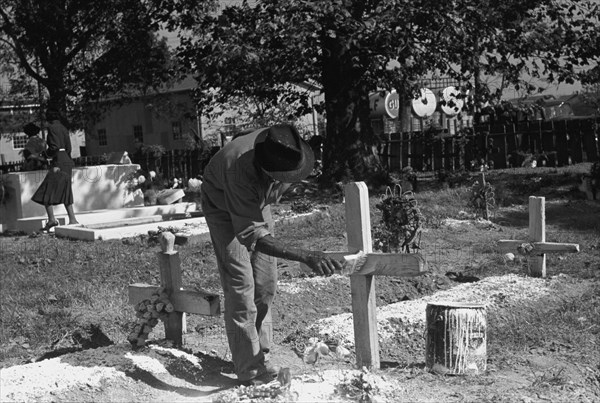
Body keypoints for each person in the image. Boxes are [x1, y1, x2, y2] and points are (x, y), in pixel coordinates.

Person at [201, 124, 343, 386]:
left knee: (266, 284)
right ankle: (250, 371)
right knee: (240, 286)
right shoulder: (239, 171)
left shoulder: (284, 146)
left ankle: (260, 354)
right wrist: (305, 255)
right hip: (222, 204)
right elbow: (252, 235)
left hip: (256, 203)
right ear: (267, 171)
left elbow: (261, 218)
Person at [31, 108, 79, 231]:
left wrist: (45, 155)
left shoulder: (52, 128)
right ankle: (72, 219)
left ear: (48, 119)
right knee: (66, 190)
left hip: (58, 162)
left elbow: (54, 147)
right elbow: (68, 147)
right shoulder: (63, 128)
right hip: (67, 161)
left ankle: (52, 220)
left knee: (45, 191)